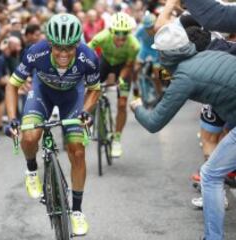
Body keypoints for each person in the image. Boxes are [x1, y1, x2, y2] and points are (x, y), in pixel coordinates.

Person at [129, 23, 236, 240]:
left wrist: (137, 107)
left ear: (165, 55)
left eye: (159, 53)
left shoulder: (185, 77)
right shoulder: (206, 55)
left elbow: (154, 123)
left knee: (210, 175)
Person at [5, 13, 100, 236]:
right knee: (29, 136)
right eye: (58, 47)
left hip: (72, 98)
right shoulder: (36, 52)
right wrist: (11, 119)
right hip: (42, 95)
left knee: (77, 151)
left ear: (78, 43)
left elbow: (94, 90)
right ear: (50, 43)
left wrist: (86, 112)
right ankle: (31, 170)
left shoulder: (89, 57)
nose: (64, 54)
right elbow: (12, 85)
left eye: (69, 48)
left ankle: (76, 211)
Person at [88, 12, 140, 158]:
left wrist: (121, 80)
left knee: (122, 104)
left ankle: (117, 139)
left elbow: (129, 66)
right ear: (111, 31)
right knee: (91, 89)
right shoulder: (102, 36)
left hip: (122, 68)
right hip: (104, 63)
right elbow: (86, 50)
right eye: (117, 33)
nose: (121, 37)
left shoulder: (134, 45)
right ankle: (89, 120)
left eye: (124, 34)